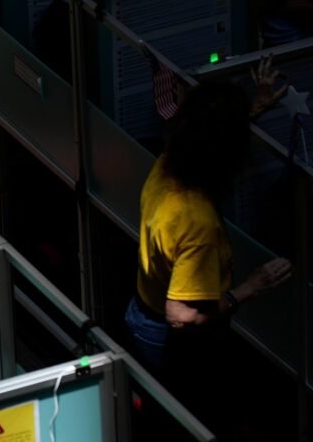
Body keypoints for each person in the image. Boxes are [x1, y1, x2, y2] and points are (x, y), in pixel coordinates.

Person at [124, 65, 291, 438]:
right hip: (173, 342)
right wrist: (251, 287)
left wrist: (251, 110)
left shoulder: (168, 163)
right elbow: (181, 315)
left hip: (141, 312)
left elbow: (203, 136)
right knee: (188, 424)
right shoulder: (196, 222)